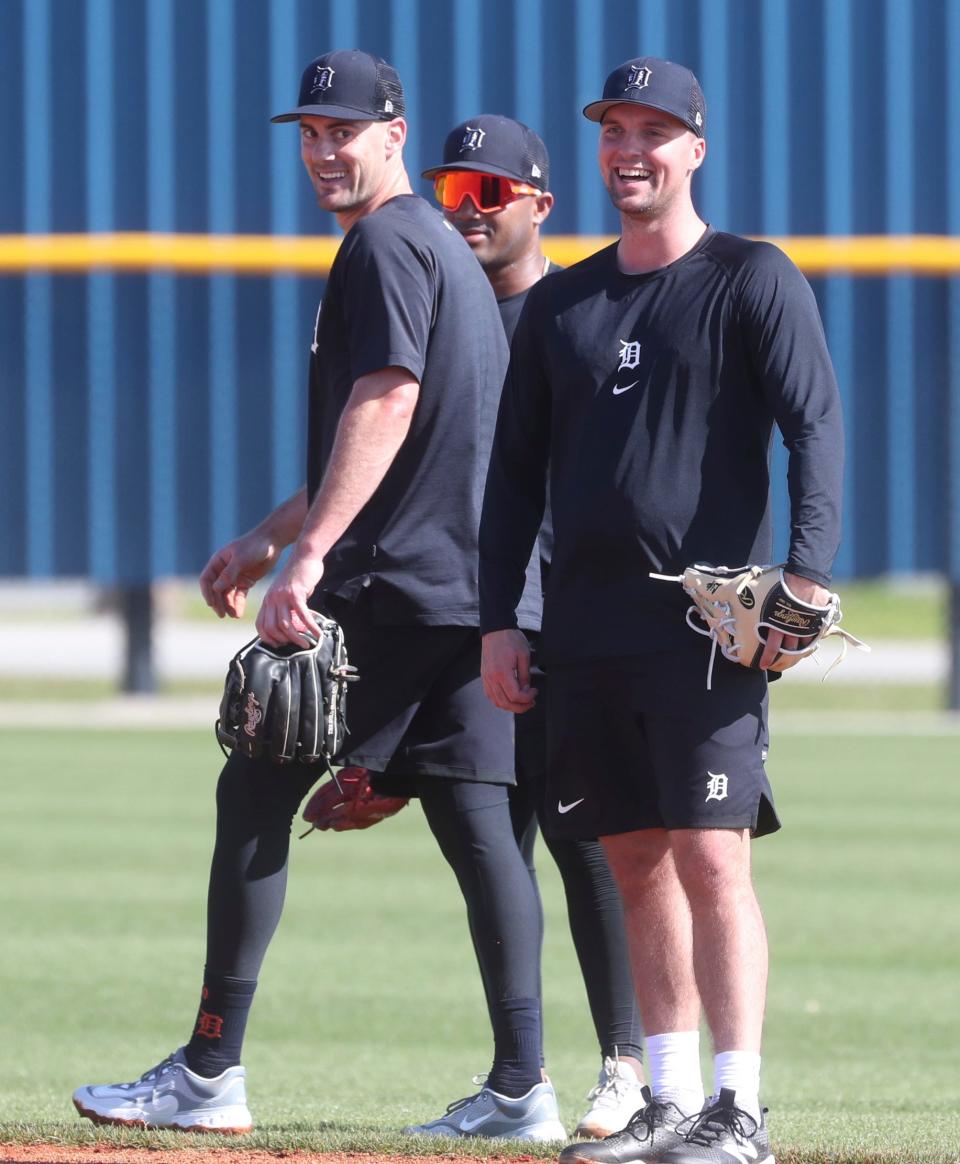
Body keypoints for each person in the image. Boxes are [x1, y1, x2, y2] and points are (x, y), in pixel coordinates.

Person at [72, 49, 566, 1142]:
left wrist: (307, 560)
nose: (323, 150)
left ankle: (209, 1071)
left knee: (253, 789)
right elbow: (409, 430)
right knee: (481, 824)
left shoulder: (387, 241)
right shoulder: (438, 245)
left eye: (343, 130)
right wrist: (270, 531)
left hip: (394, 584)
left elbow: (386, 406)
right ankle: (525, 1087)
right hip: (471, 585)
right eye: (308, 132)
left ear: (394, 135)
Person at [479, 57, 844, 1164]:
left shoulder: (750, 277)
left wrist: (810, 572)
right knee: (634, 858)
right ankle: (670, 1102)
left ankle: (741, 1109)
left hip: (701, 626)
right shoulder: (562, 303)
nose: (629, 150)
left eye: (653, 130)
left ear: (694, 148)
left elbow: (815, 426)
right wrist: (503, 617)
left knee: (712, 855)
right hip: (584, 631)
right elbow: (514, 476)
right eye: (613, 129)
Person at [420, 114, 646, 1140]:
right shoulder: (447, 316)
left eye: (487, 194)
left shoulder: (575, 314)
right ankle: (518, 1081)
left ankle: (628, 1068)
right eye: (450, 190)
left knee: (586, 840)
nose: (464, 210)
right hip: (479, 621)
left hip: (569, 617)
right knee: (485, 831)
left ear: (537, 204)